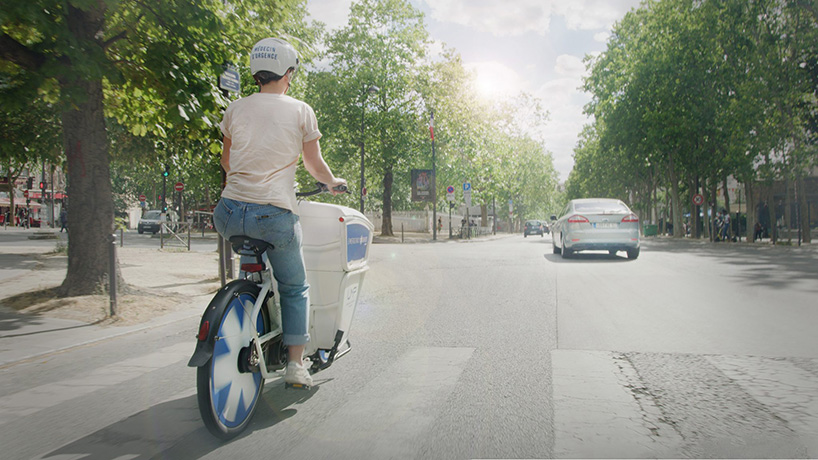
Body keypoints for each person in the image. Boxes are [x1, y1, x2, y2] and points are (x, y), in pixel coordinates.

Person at [214, 37, 346, 389]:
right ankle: (295, 364)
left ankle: (244, 305)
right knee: (294, 286)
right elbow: (313, 163)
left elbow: (227, 162)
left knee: (251, 255)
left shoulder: (235, 109)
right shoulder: (300, 110)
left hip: (227, 213)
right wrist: (332, 182)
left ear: (256, 72)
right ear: (288, 73)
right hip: (273, 215)